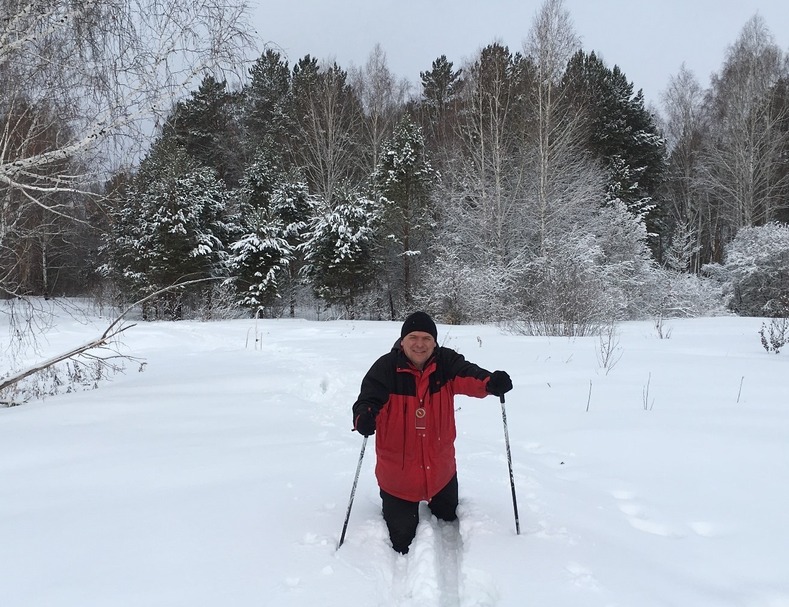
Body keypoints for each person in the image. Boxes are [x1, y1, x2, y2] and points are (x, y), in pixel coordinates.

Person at [351, 311, 513, 554]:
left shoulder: (446, 363)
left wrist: (490, 383)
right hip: (398, 477)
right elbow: (367, 401)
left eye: (427, 338)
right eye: (413, 337)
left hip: (441, 473)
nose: (420, 344)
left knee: (448, 517)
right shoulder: (385, 369)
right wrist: (364, 417)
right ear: (402, 340)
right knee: (401, 542)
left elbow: (470, 375)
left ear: (435, 341)